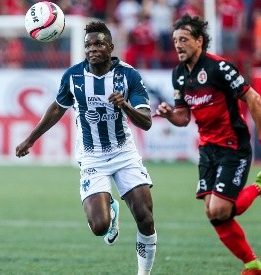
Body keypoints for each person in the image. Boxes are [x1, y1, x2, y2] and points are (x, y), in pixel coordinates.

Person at [16, 21, 157, 275]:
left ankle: (143, 273)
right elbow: (57, 108)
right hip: (92, 158)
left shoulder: (129, 76)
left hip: (124, 154)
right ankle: (111, 214)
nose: (93, 49)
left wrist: (124, 106)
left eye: (99, 43)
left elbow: (146, 122)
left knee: (145, 218)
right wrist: (31, 139)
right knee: (99, 227)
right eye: (88, 45)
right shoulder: (73, 76)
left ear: (111, 47)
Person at [154, 14, 261, 275]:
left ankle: (259, 186)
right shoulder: (179, 75)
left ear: (199, 41)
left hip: (233, 144)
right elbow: (183, 117)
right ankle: (253, 265)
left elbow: (253, 99)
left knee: (220, 208)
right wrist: (169, 115)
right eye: (175, 40)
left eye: (184, 39)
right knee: (214, 214)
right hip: (207, 149)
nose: (178, 45)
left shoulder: (219, 68)